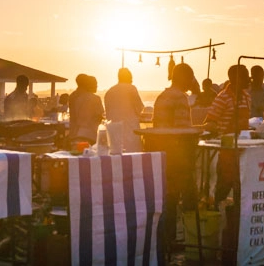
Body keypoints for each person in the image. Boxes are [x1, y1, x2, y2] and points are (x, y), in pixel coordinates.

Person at [151, 62, 198, 248]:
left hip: (161, 152)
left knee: (168, 197)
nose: (192, 81)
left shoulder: (162, 96)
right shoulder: (180, 98)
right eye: (191, 77)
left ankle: (167, 239)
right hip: (177, 154)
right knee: (187, 195)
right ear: (184, 78)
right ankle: (192, 237)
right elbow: (183, 130)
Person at [205, 64, 251, 205]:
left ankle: (237, 218)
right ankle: (217, 211)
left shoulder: (246, 97)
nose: (249, 80)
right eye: (245, 77)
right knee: (224, 185)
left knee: (241, 186)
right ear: (235, 79)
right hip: (226, 150)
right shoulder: (222, 98)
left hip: (243, 149)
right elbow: (210, 122)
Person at [104, 68, 145, 152]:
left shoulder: (110, 91)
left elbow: (107, 112)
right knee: (132, 156)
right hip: (130, 128)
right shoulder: (131, 88)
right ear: (129, 77)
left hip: (113, 129)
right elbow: (139, 107)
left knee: (115, 154)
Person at [67, 74, 104, 144]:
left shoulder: (73, 96)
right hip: (90, 135)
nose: (97, 86)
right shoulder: (95, 98)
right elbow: (100, 116)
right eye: (95, 84)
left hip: (73, 133)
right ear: (87, 84)